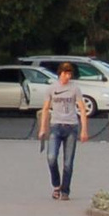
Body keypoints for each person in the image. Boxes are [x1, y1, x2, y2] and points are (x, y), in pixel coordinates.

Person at [39, 62, 90, 201]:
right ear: (60, 73)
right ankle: (56, 185)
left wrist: (84, 130)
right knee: (51, 157)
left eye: (70, 74)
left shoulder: (75, 89)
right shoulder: (51, 88)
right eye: (66, 73)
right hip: (56, 125)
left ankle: (65, 190)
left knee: (68, 162)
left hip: (71, 127)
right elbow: (45, 109)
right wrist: (43, 128)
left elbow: (82, 109)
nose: (68, 76)